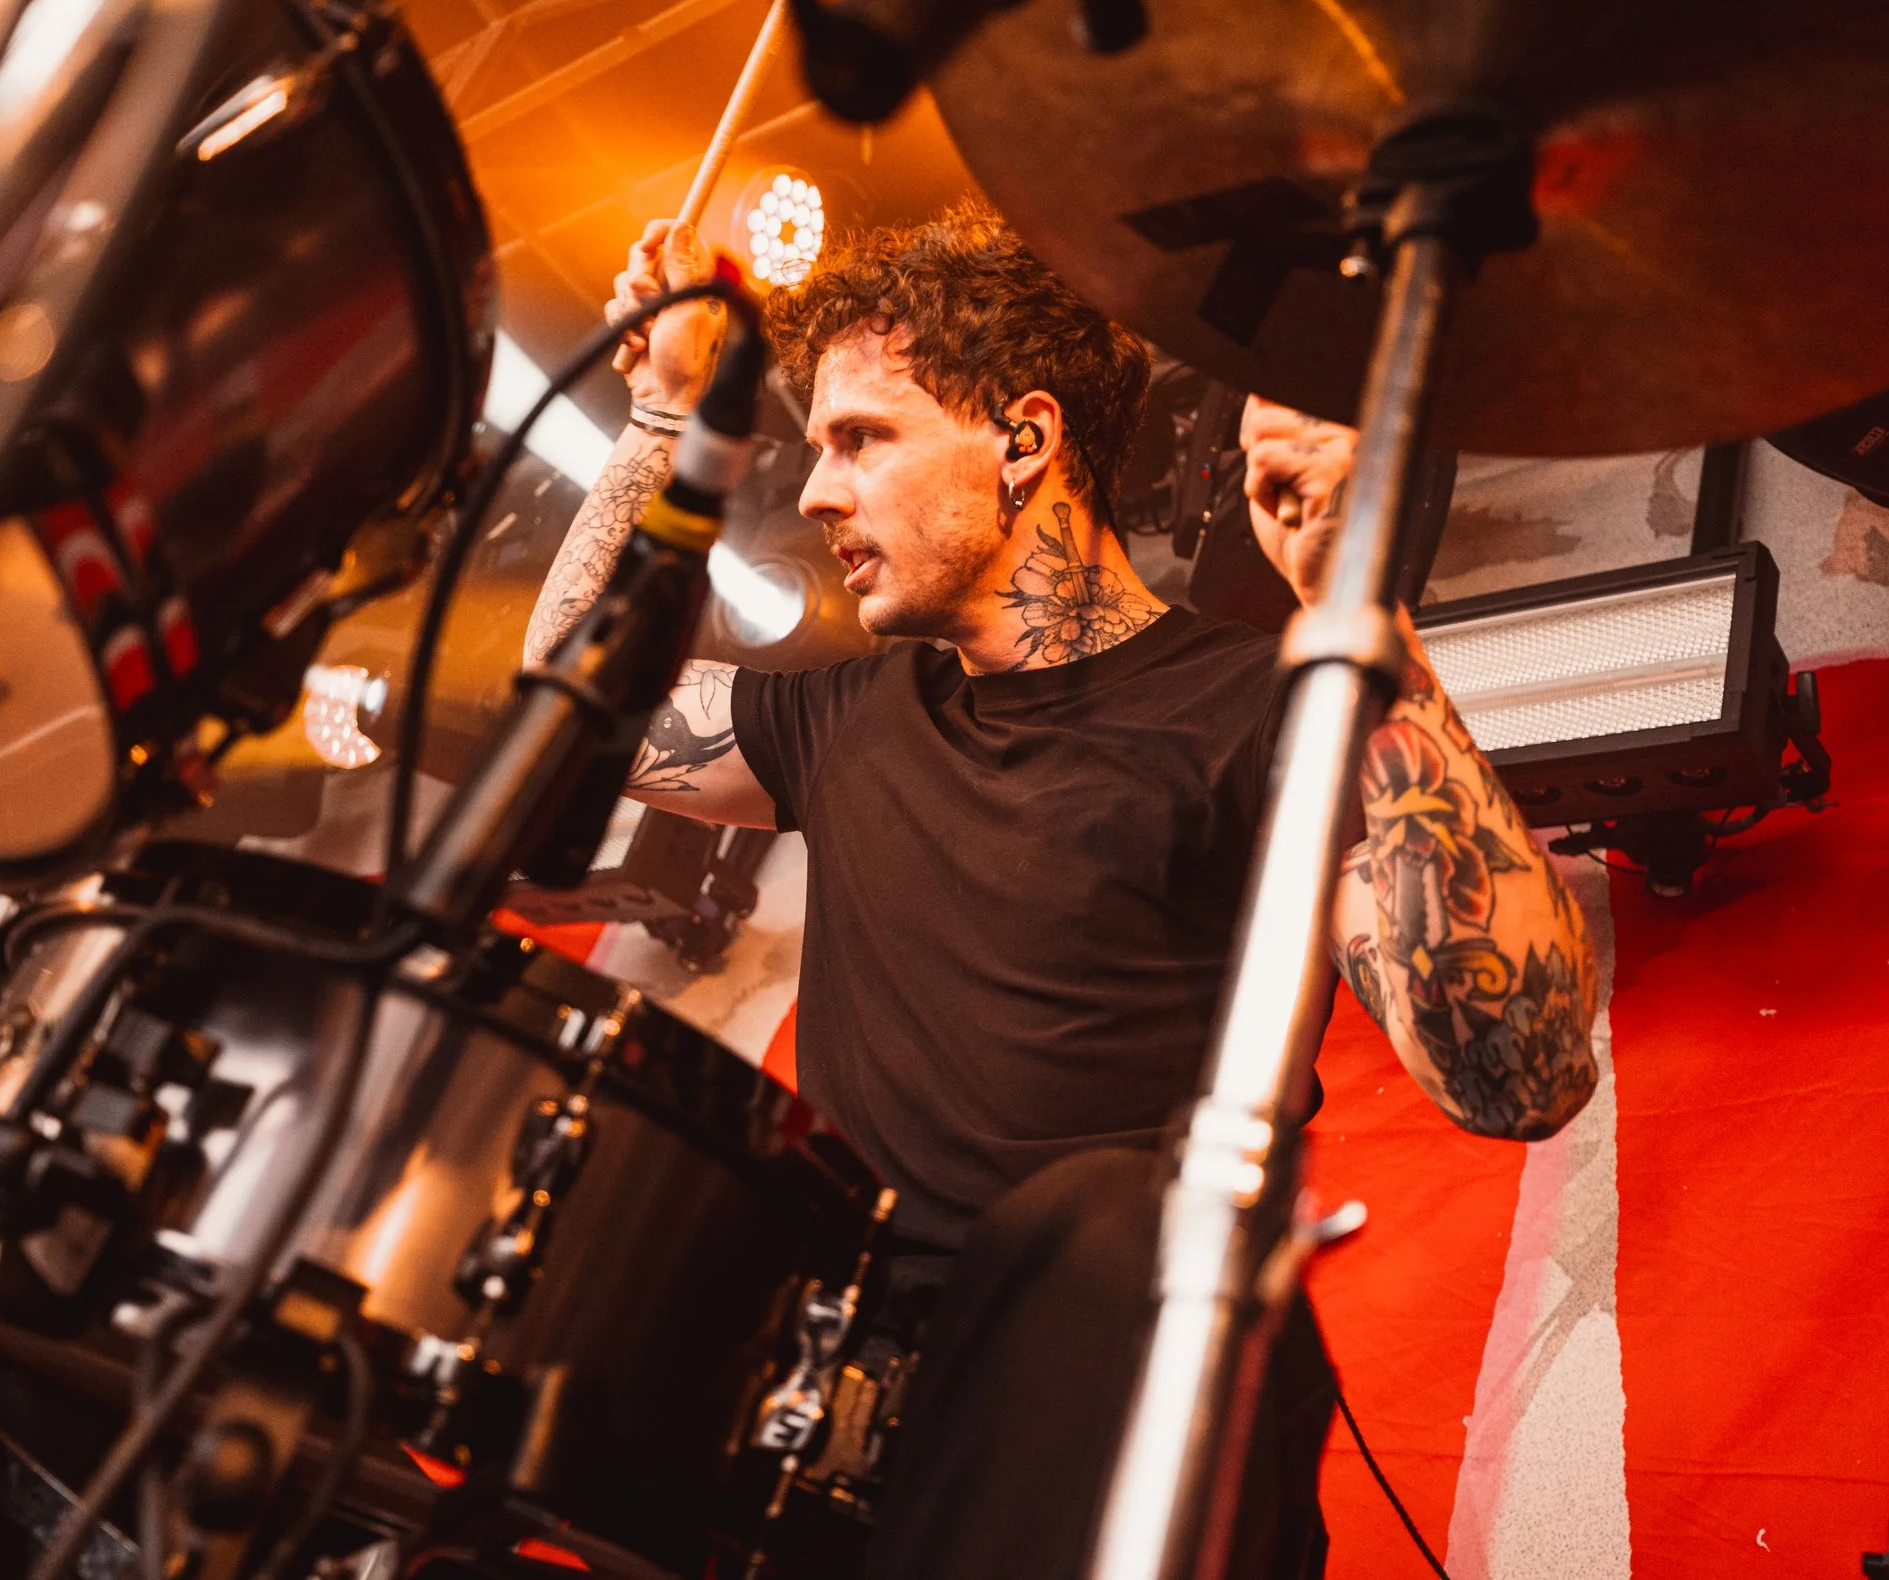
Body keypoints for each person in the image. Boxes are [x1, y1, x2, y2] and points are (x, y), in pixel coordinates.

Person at [522, 201, 1599, 1580]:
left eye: (863, 438)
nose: (814, 493)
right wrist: (662, 413)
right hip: (842, 1440)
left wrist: (1360, 615)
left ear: (1024, 441)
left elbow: (1516, 1072)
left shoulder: (1259, 707)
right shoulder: (847, 716)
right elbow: (573, 694)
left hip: (1116, 1417)